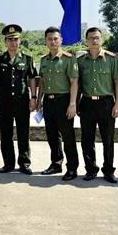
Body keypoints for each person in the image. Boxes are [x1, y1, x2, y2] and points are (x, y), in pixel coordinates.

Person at [77, 27, 118, 184]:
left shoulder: (111, 59)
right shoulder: (81, 60)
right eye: (91, 38)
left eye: (97, 37)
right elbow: (77, 84)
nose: (94, 40)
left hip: (106, 102)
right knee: (87, 138)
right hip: (87, 102)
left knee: (108, 139)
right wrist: (75, 103)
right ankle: (90, 169)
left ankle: (108, 170)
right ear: (86, 41)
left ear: (102, 39)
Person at [0, 24, 38, 175]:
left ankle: (24, 163)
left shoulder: (27, 59)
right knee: (6, 133)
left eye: (16, 39)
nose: (13, 42)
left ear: (20, 41)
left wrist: (34, 97)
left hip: (22, 100)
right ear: (5, 41)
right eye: (10, 39)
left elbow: (31, 79)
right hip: (4, 101)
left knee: (23, 133)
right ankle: (8, 163)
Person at [37, 26, 80, 181]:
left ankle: (72, 168)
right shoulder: (43, 60)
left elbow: (74, 82)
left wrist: (73, 104)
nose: (53, 41)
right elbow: (42, 81)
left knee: (68, 136)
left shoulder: (69, 59)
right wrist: (39, 100)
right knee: (52, 135)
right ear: (45, 41)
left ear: (61, 40)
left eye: (56, 38)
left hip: (64, 101)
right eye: (50, 39)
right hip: (49, 101)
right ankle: (56, 164)